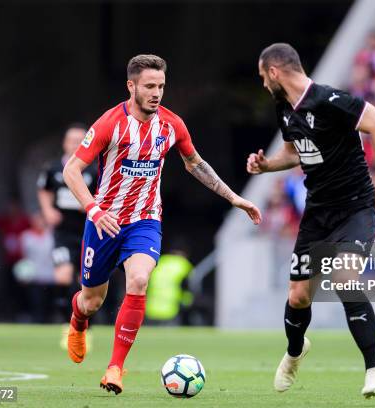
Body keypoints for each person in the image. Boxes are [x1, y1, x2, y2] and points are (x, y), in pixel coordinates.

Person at [62, 54, 261, 395]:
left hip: (145, 220)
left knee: (138, 279)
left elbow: (195, 164)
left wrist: (234, 198)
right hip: (104, 221)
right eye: (150, 86)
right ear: (132, 86)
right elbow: (71, 171)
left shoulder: (171, 125)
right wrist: (94, 210)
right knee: (92, 300)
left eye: (161, 86)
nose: (157, 93)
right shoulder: (110, 123)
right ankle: (79, 320)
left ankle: (115, 368)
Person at [247, 43, 375, 398]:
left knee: (345, 276)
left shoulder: (331, 100)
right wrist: (269, 165)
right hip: (318, 213)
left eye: (261, 76)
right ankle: (295, 352)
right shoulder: (283, 108)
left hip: (356, 208)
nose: (263, 85)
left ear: (274, 72)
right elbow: (295, 152)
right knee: (298, 297)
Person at [37, 124, 96, 319]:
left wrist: (89, 204)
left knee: (85, 280)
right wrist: (47, 210)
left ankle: (85, 323)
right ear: (64, 143)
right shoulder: (53, 168)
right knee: (62, 276)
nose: (75, 145)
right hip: (63, 232)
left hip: (87, 232)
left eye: (80, 142)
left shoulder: (94, 170)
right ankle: (64, 320)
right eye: (72, 141)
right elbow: (44, 189)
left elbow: (104, 195)